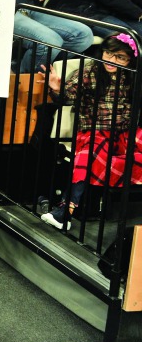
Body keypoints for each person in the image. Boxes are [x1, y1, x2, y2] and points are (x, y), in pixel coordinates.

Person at [42, 34, 142, 230]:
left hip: (124, 131)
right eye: (108, 54)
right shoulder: (90, 71)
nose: (112, 60)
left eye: (120, 57)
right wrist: (56, 89)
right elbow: (68, 96)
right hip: (95, 131)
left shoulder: (134, 75)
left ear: (130, 59)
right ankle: (64, 213)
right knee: (91, 154)